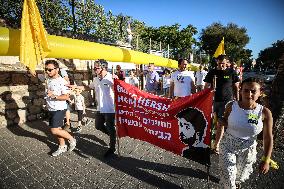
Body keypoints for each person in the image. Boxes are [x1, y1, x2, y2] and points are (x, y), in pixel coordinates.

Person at [219, 77, 274, 189]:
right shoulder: (231, 106)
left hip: (248, 149)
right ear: (240, 90)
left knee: (239, 177)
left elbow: (268, 137)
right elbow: (225, 121)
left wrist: (266, 159)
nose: (249, 94)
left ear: (260, 93)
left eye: (253, 91)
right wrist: (219, 121)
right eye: (246, 90)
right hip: (228, 145)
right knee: (229, 177)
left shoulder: (264, 112)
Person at [72, 60, 117, 158]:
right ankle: (113, 135)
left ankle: (112, 147)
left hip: (110, 109)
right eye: (94, 68)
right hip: (99, 108)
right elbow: (88, 87)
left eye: (96, 68)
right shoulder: (96, 79)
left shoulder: (111, 78)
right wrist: (76, 87)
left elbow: (118, 91)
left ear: (103, 68)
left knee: (110, 127)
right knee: (98, 126)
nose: (94, 70)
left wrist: (117, 82)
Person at [204, 55, 239, 154]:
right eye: (219, 64)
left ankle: (216, 145)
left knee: (220, 123)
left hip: (226, 102)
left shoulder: (231, 72)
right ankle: (211, 142)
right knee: (212, 122)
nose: (221, 66)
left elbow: (236, 87)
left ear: (227, 62)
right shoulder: (212, 72)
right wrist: (205, 96)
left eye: (223, 64)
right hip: (213, 101)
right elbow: (206, 86)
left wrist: (238, 101)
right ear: (216, 62)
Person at [44, 60, 76, 156]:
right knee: (58, 129)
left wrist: (54, 96)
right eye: (46, 69)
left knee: (54, 130)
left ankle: (72, 139)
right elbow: (36, 75)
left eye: (50, 69)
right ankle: (62, 146)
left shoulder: (62, 81)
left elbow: (66, 97)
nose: (47, 71)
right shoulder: (48, 79)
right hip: (51, 108)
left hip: (59, 108)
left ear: (57, 69)